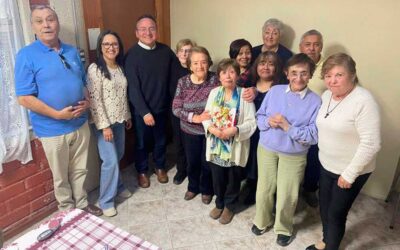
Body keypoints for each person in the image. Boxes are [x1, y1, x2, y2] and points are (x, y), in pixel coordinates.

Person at [14, 5, 102, 216]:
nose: (46, 24)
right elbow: (24, 98)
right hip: (52, 128)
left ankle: (81, 205)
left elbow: (83, 81)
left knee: (81, 170)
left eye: (51, 19)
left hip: (79, 123)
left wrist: (88, 101)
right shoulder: (26, 55)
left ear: (57, 22)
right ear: (32, 26)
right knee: (61, 176)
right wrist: (56, 114)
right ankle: (67, 211)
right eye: (40, 21)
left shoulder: (72, 50)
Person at [306, 53, 381, 250]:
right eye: (328, 75)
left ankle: (331, 247)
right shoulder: (327, 95)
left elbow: (371, 143)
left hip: (350, 170)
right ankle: (325, 241)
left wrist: (349, 174)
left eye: (339, 75)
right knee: (324, 208)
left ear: (353, 75)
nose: (332, 80)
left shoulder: (363, 100)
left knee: (336, 213)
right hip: (327, 164)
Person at [252, 53, 321, 246]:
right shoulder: (274, 91)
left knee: (287, 194)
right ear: (286, 73)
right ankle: (262, 220)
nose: (298, 78)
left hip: (294, 155)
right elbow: (259, 117)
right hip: (266, 148)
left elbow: (313, 136)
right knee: (264, 188)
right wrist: (268, 121)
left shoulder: (316, 102)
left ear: (310, 75)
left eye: (304, 73)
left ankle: (283, 228)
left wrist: (287, 127)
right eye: (294, 73)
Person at [125, 14, 176, 188]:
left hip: (161, 108)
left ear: (156, 31)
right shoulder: (131, 55)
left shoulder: (166, 51)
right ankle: (142, 170)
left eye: (152, 28)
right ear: (137, 33)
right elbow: (133, 88)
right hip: (142, 111)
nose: (148, 32)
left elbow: (176, 76)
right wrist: (144, 112)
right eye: (143, 29)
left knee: (161, 140)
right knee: (141, 143)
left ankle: (160, 167)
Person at [203, 59, 256, 224]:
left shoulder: (244, 94)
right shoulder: (214, 93)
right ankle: (219, 203)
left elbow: (251, 121)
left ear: (238, 75)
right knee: (217, 177)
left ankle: (230, 207)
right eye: (224, 72)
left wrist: (235, 130)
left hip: (234, 145)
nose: (228, 76)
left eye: (232, 72)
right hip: (216, 144)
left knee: (233, 179)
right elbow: (206, 115)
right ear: (219, 76)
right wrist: (211, 128)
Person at [87, 30, 132, 217]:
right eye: (106, 44)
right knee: (110, 161)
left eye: (114, 44)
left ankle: (119, 186)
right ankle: (106, 200)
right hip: (103, 124)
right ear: (100, 47)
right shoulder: (94, 69)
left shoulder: (120, 68)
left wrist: (127, 115)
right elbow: (95, 100)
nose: (111, 47)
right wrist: (104, 126)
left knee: (118, 155)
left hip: (120, 120)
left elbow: (122, 95)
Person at [172, 46, 218, 203]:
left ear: (209, 63)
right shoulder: (182, 82)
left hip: (210, 131)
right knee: (192, 161)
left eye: (203, 62)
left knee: (207, 162)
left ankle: (206, 189)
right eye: (196, 63)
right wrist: (195, 118)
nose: (200, 66)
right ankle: (193, 187)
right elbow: (176, 108)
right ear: (190, 66)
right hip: (189, 130)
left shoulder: (216, 79)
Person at [243, 51, 282, 205]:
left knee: (269, 167)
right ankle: (252, 187)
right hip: (252, 132)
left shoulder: (280, 88)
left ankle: (270, 194)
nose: (266, 67)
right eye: (262, 63)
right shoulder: (249, 85)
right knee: (252, 160)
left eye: (271, 64)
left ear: (277, 68)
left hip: (271, 134)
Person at [299, 29, 326, 207]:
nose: (311, 48)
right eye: (308, 44)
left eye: (316, 44)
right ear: (301, 47)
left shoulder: (328, 66)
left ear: (321, 47)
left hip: (317, 122)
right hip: (295, 120)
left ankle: (309, 190)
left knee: (314, 159)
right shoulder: (295, 63)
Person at [170, 39, 196, 185]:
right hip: (176, 111)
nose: (185, 54)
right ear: (177, 52)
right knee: (178, 141)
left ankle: (193, 170)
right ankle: (181, 170)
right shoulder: (171, 67)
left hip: (194, 112)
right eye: (182, 50)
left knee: (191, 143)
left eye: (188, 50)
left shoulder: (195, 68)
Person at [252, 18, 293, 83]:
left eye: (275, 33)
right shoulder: (253, 51)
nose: (270, 36)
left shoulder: (287, 55)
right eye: (267, 32)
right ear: (262, 34)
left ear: (280, 36)